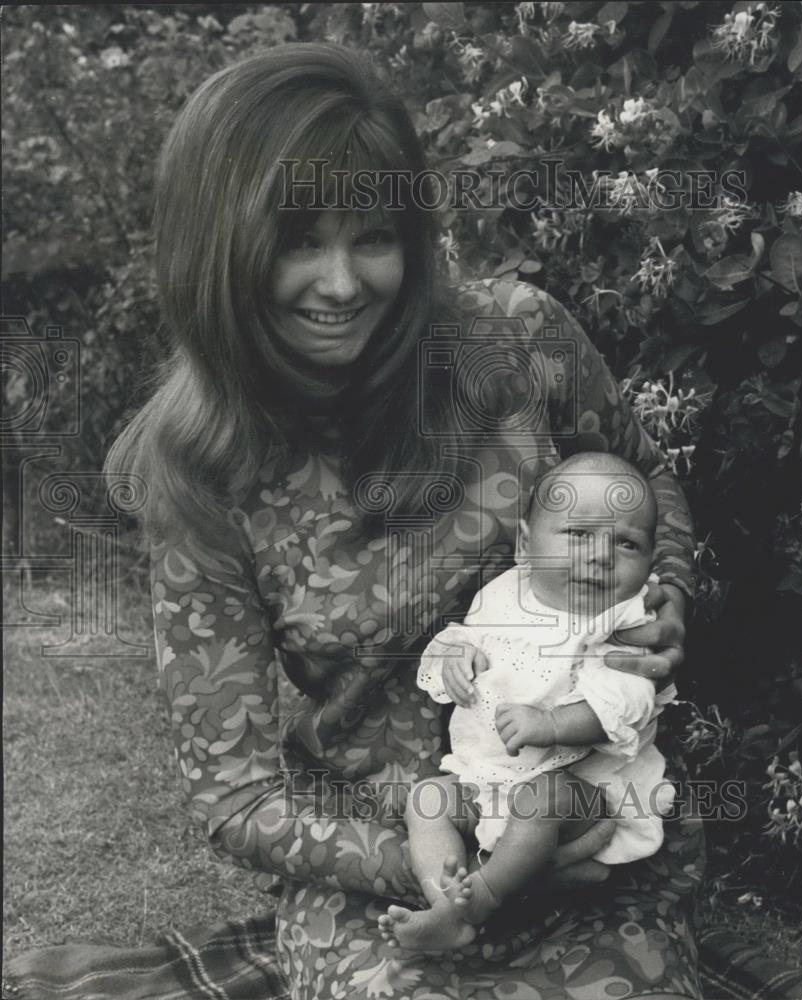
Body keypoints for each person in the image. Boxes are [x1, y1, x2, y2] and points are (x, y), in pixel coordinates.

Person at [5, 43, 704, 1000]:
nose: (341, 284)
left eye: (372, 237)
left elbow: (649, 480)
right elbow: (237, 795)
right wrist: (440, 870)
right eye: (297, 242)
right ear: (216, 249)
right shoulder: (199, 473)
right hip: (379, 863)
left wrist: (667, 594)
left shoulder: (516, 342)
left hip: (585, 824)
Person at [379, 453, 678, 953]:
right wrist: (458, 652)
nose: (602, 555)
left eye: (626, 543)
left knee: (544, 798)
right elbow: (476, 636)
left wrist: (553, 722)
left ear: (648, 561)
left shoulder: (624, 621)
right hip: (487, 781)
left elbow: (626, 702)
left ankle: (484, 900)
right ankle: (444, 905)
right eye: (578, 534)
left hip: (582, 795)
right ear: (524, 545)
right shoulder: (504, 594)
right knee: (426, 801)